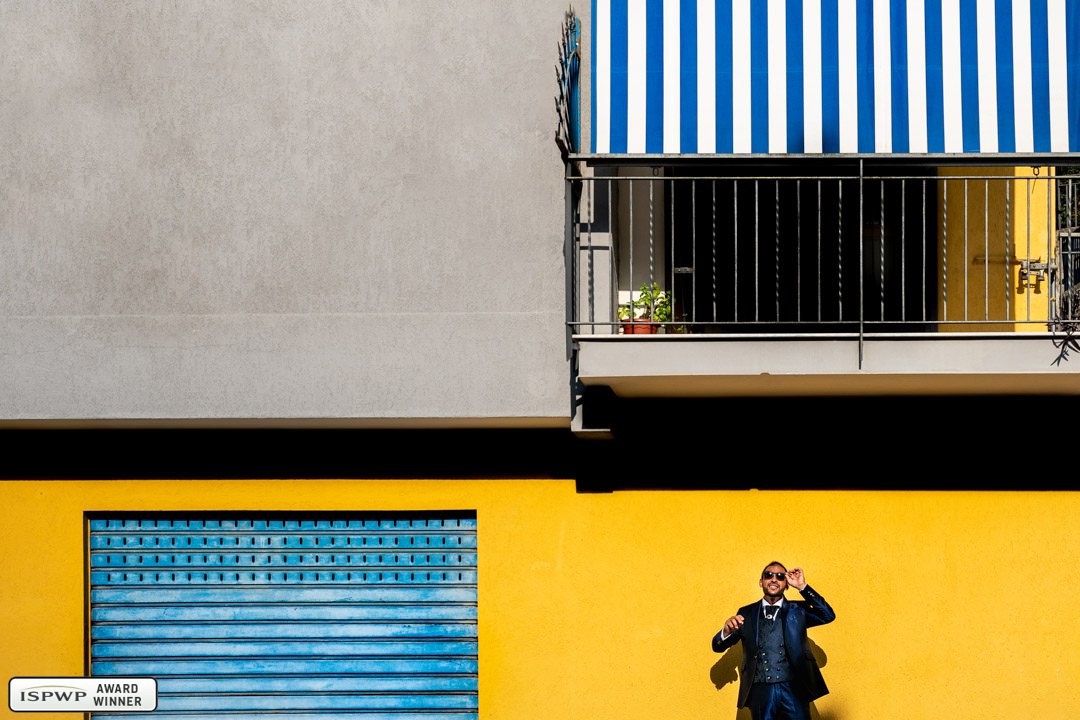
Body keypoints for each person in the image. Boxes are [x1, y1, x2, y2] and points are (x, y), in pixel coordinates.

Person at [712, 563, 836, 720]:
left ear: (786, 584)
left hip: (794, 689)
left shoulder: (798, 610)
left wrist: (802, 586)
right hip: (759, 691)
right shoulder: (746, 613)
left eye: (780, 577)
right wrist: (726, 632)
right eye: (768, 575)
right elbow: (717, 646)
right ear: (761, 582)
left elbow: (828, 615)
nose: (773, 579)